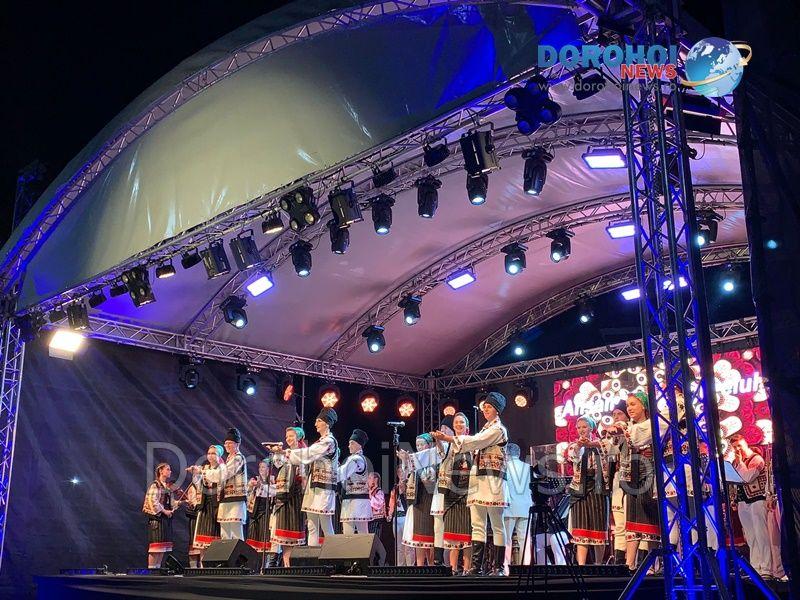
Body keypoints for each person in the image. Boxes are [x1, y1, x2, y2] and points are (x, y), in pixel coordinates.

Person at [433, 391, 509, 576]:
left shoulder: (498, 430)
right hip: (477, 482)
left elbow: (476, 441)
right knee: (477, 524)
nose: (486, 410)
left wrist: (448, 438)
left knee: (497, 524)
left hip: (492, 481)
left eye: (489, 407)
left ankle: (498, 567)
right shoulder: (485, 429)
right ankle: (476, 567)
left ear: (497, 410)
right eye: (485, 407)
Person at [285, 407, 339, 546]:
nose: (315, 424)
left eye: (318, 421)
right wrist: (286, 453)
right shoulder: (321, 441)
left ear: (327, 423)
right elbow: (305, 457)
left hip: (324, 488)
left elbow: (309, 453)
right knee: (311, 525)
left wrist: (289, 452)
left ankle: (334, 554)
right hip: (313, 485)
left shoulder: (329, 441)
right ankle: (311, 556)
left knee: (325, 523)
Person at [621, 391, 660, 571]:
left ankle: (653, 564)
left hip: (650, 473)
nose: (629, 408)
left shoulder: (652, 425)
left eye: (633, 404)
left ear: (643, 405)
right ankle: (629, 564)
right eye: (627, 405)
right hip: (632, 476)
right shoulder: (628, 427)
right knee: (632, 518)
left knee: (651, 517)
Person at [190, 428, 248, 540]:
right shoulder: (229, 459)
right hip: (225, 497)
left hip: (236, 498)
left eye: (230, 443)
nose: (227, 445)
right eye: (226, 443)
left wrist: (202, 471)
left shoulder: (238, 458)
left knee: (235, 530)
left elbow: (223, 474)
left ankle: (238, 552)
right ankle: (225, 552)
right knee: (225, 530)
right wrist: (199, 473)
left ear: (237, 444)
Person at [566, 415, 610, 565]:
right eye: (579, 427)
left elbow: (609, 449)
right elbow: (573, 456)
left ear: (591, 428)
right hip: (580, 488)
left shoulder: (601, 443)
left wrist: (592, 444)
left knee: (599, 525)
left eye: (584, 427)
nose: (581, 430)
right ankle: (581, 565)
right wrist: (580, 446)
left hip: (598, 486)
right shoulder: (574, 445)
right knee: (581, 525)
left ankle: (598, 564)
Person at [730, 434, 772, 578]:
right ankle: (755, 567)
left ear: (745, 443)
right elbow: (735, 482)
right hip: (743, 501)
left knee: (761, 535)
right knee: (750, 536)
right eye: (734, 447)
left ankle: (766, 568)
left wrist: (740, 463)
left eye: (739, 445)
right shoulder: (736, 462)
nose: (737, 449)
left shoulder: (756, 458)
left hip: (757, 499)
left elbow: (748, 477)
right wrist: (734, 499)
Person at [270, 426, 307, 566]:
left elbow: (303, 474)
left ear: (299, 437)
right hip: (283, 496)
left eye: (291, 436)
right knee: (284, 535)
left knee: (293, 532)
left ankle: (293, 566)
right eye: (287, 437)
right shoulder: (287, 453)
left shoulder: (302, 452)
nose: (288, 439)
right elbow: (277, 463)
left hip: (295, 495)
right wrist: (277, 452)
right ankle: (286, 566)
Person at [401, 433, 437, 565]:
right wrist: (404, 461)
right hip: (416, 501)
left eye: (422, 445)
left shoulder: (433, 460)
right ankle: (420, 567)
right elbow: (406, 476)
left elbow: (429, 481)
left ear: (429, 445)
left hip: (428, 500)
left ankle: (432, 566)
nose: (419, 447)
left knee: (429, 537)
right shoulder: (417, 461)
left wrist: (414, 462)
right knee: (418, 538)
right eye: (417, 445)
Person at [600, 401, 629, 565]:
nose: (616, 417)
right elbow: (610, 453)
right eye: (614, 415)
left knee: (634, 522)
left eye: (620, 414)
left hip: (636, 479)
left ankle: (638, 561)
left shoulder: (632, 430)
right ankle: (619, 562)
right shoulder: (614, 435)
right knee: (619, 522)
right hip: (618, 479)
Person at [191, 445, 224, 561]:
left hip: (217, 504)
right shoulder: (204, 468)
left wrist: (202, 472)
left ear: (219, 455)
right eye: (209, 453)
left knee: (215, 536)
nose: (210, 456)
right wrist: (196, 474)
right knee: (202, 536)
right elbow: (198, 485)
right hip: (205, 503)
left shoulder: (222, 468)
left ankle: (214, 565)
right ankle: (202, 565)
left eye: (213, 453)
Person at [142, 462, 177, 568]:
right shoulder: (155, 485)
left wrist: (178, 503)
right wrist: (164, 511)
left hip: (164, 520)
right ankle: (152, 570)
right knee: (155, 548)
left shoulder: (167, 487)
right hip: (157, 520)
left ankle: (157, 569)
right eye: (167, 469)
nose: (170, 471)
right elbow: (153, 501)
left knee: (162, 548)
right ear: (161, 471)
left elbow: (170, 503)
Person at [504, 442, 532, 569]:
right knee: (525, 539)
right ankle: (525, 568)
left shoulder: (505, 467)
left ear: (507, 454)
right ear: (519, 454)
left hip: (509, 507)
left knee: (506, 540)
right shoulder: (528, 467)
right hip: (526, 507)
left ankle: (505, 567)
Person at [339, 428, 373, 534]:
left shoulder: (356, 459)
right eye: (349, 443)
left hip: (357, 501)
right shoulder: (356, 458)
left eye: (352, 443)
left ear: (359, 445)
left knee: (354, 535)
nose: (349, 446)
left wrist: (331, 471)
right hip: (352, 500)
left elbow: (342, 473)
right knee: (360, 534)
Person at [246, 458, 276, 563]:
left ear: (269, 469)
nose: (260, 469)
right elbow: (248, 495)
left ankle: (266, 564)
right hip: (255, 511)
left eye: (263, 467)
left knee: (265, 538)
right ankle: (254, 564)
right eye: (260, 467)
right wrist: (250, 487)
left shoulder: (273, 480)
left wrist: (261, 486)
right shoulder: (256, 479)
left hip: (266, 511)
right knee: (253, 537)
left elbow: (273, 492)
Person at [387, 465, 416, 566]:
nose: (401, 474)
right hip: (397, 518)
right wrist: (390, 514)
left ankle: (410, 567)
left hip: (406, 517)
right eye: (399, 472)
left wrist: (404, 485)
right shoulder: (395, 487)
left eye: (402, 472)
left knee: (408, 545)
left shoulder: (410, 485)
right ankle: (400, 567)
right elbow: (391, 501)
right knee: (399, 546)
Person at [184, 474, 202, 567]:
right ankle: (193, 567)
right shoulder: (192, 487)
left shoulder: (204, 487)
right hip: (195, 517)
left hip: (202, 516)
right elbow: (193, 502)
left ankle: (202, 566)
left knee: (202, 543)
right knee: (193, 542)